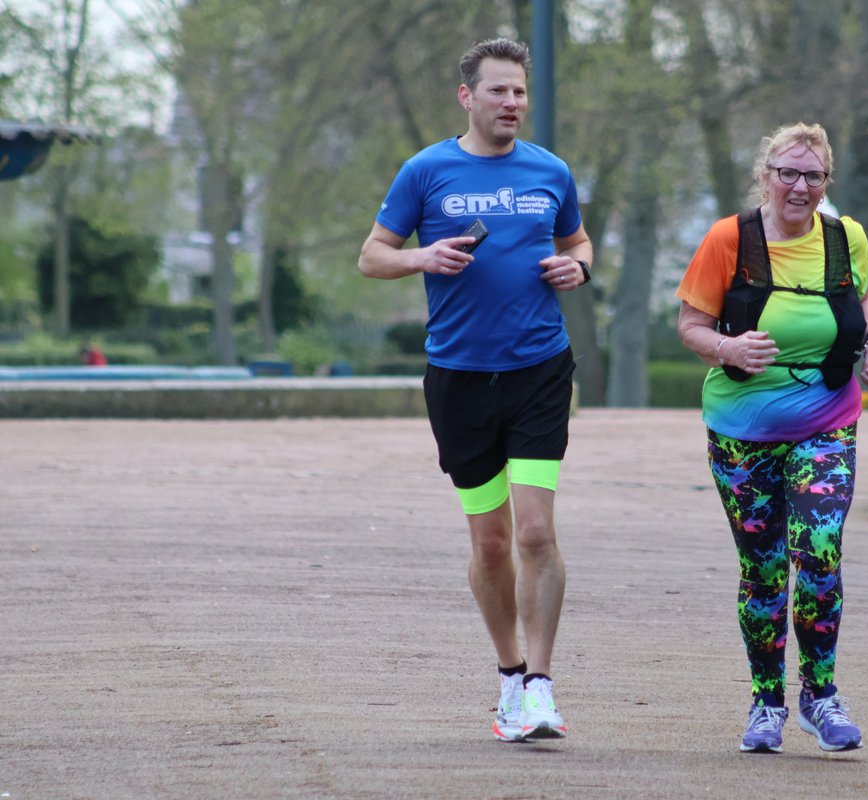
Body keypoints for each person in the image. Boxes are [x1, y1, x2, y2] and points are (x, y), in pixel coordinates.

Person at [357, 37, 593, 743]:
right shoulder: (426, 170)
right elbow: (371, 256)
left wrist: (578, 267)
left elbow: (578, 243)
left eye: (519, 91)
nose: (511, 102)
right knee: (491, 543)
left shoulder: (550, 171)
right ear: (468, 96)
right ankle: (510, 675)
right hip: (459, 378)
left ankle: (542, 687)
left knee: (535, 531)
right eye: (498, 90)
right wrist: (422, 257)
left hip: (539, 370)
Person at [675, 122, 868, 754]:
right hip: (741, 429)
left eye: (813, 176)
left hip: (827, 418)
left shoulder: (845, 237)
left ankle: (820, 696)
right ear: (765, 175)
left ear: (827, 181)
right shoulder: (729, 238)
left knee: (818, 551)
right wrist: (728, 348)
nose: (800, 186)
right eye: (787, 173)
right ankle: (767, 702)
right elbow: (690, 325)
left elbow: (864, 299)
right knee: (764, 569)